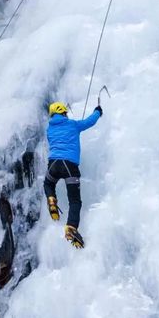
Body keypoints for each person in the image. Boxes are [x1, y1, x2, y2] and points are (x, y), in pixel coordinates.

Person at [44, 101, 102, 248]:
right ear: (63, 111)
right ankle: (71, 227)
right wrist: (98, 111)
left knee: (48, 183)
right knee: (75, 201)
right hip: (69, 166)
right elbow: (90, 121)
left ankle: (52, 199)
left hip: (53, 164)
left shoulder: (49, 129)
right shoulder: (73, 124)